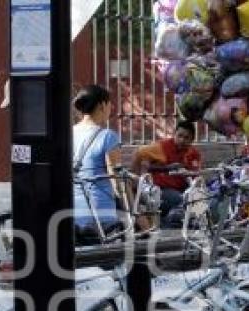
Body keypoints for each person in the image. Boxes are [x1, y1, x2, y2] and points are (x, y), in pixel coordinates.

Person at [72, 85, 122, 236]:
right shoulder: (108, 136)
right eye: (109, 103)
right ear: (102, 105)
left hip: (73, 212)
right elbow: (117, 181)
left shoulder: (68, 133)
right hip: (101, 213)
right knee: (108, 258)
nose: (111, 107)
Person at [131, 121, 201, 225]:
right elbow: (138, 154)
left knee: (201, 201)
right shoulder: (162, 147)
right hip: (161, 190)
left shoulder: (194, 154)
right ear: (174, 134)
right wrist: (136, 186)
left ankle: (199, 227)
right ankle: (167, 225)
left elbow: (196, 176)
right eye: (180, 136)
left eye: (186, 138)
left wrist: (188, 174)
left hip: (184, 189)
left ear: (192, 140)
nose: (182, 140)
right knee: (181, 200)